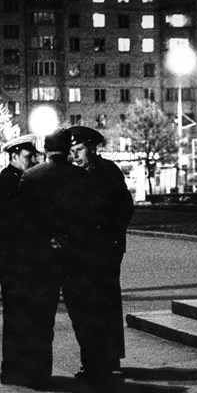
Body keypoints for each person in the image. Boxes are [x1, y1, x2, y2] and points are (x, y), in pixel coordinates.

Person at [2, 129, 102, 388]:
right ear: (67, 150)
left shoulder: (31, 176)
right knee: (83, 315)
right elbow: (91, 218)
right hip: (75, 257)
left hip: (42, 259)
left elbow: (22, 219)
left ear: (46, 150)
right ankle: (94, 368)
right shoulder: (83, 177)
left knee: (41, 318)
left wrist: (46, 240)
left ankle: (39, 373)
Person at [69, 126, 135, 378]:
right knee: (87, 307)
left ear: (92, 148)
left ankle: (109, 358)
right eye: (72, 151)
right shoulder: (73, 175)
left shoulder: (109, 171)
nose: (75, 155)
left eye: (79, 150)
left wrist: (110, 233)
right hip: (82, 252)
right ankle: (93, 360)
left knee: (106, 304)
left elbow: (124, 207)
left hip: (106, 250)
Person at [0, 134, 39, 384]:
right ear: (14, 157)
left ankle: (15, 367)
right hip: (12, 259)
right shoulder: (10, 181)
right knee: (16, 315)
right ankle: (12, 369)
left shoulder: (14, 178)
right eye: (28, 157)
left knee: (18, 313)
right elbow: (15, 219)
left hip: (11, 257)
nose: (32, 161)